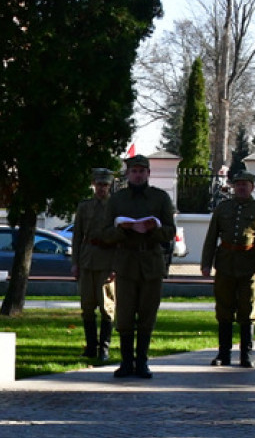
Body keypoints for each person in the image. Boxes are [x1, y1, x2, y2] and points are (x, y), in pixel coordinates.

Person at [101, 154, 176, 378]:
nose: (138, 174)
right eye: (134, 171)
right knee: (124, 315)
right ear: (128, 173)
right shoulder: (117, 199)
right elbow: (105, 233)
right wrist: (124, 229)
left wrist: (152, 229)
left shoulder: (160, 198)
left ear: (148, 174)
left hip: (151, 262)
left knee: (147, 314)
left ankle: (142, 362)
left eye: (142, 171)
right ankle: (126, 362)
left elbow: (170, 231)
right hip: (126, 263)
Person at [200, 170, 255, 367]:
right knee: (224, 308)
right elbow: (211, 237)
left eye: (245, 184)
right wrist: (206, 263)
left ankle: (246, 355)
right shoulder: (223, 208)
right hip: (225, 263)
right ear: (233, 186)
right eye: (238, 184)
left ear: (252, 187)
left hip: (249, 265)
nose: (241, 187)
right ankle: (223, 354)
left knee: (248, 308)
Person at [71, 168, 116, 363]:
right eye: (99, 184)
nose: (101, 188)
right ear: (94, 185)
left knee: (107, 307)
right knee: (87, 306)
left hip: (107, 261)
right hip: (87, 260)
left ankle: (104, 348)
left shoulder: (115, 207)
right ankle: (91, 347)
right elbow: (77, 236)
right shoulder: (84, 207)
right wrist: (75, 263)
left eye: (105, 185)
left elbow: (120, 238)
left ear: (110, 186)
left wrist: (116, 266)